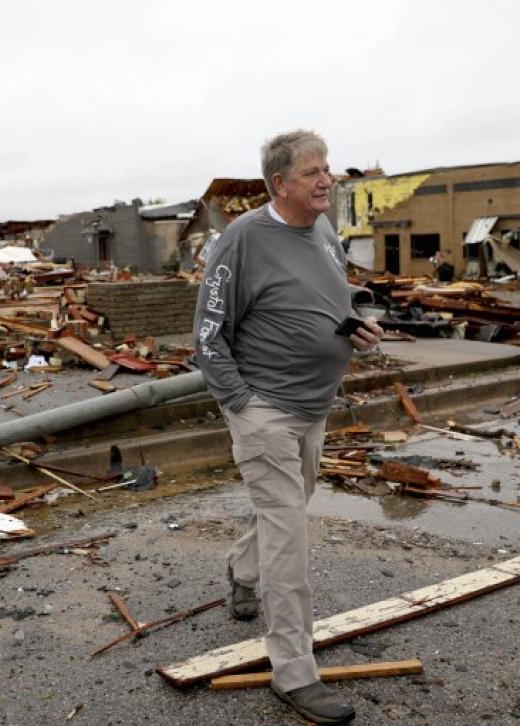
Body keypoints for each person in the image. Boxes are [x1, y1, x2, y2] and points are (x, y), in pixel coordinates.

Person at [193, 130, 382, 725]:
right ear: (281, 184)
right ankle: (294, 673)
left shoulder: (324, 230)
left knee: (291, 508)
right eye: (313, 173)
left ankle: (241, 572)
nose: (328, 180)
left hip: (313, 404)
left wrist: (356, 318)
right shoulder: (241, 240)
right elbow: (207, 334)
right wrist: (242, 404)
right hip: (265, 410)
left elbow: (325, 292)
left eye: (328, 169)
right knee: (290, 536)